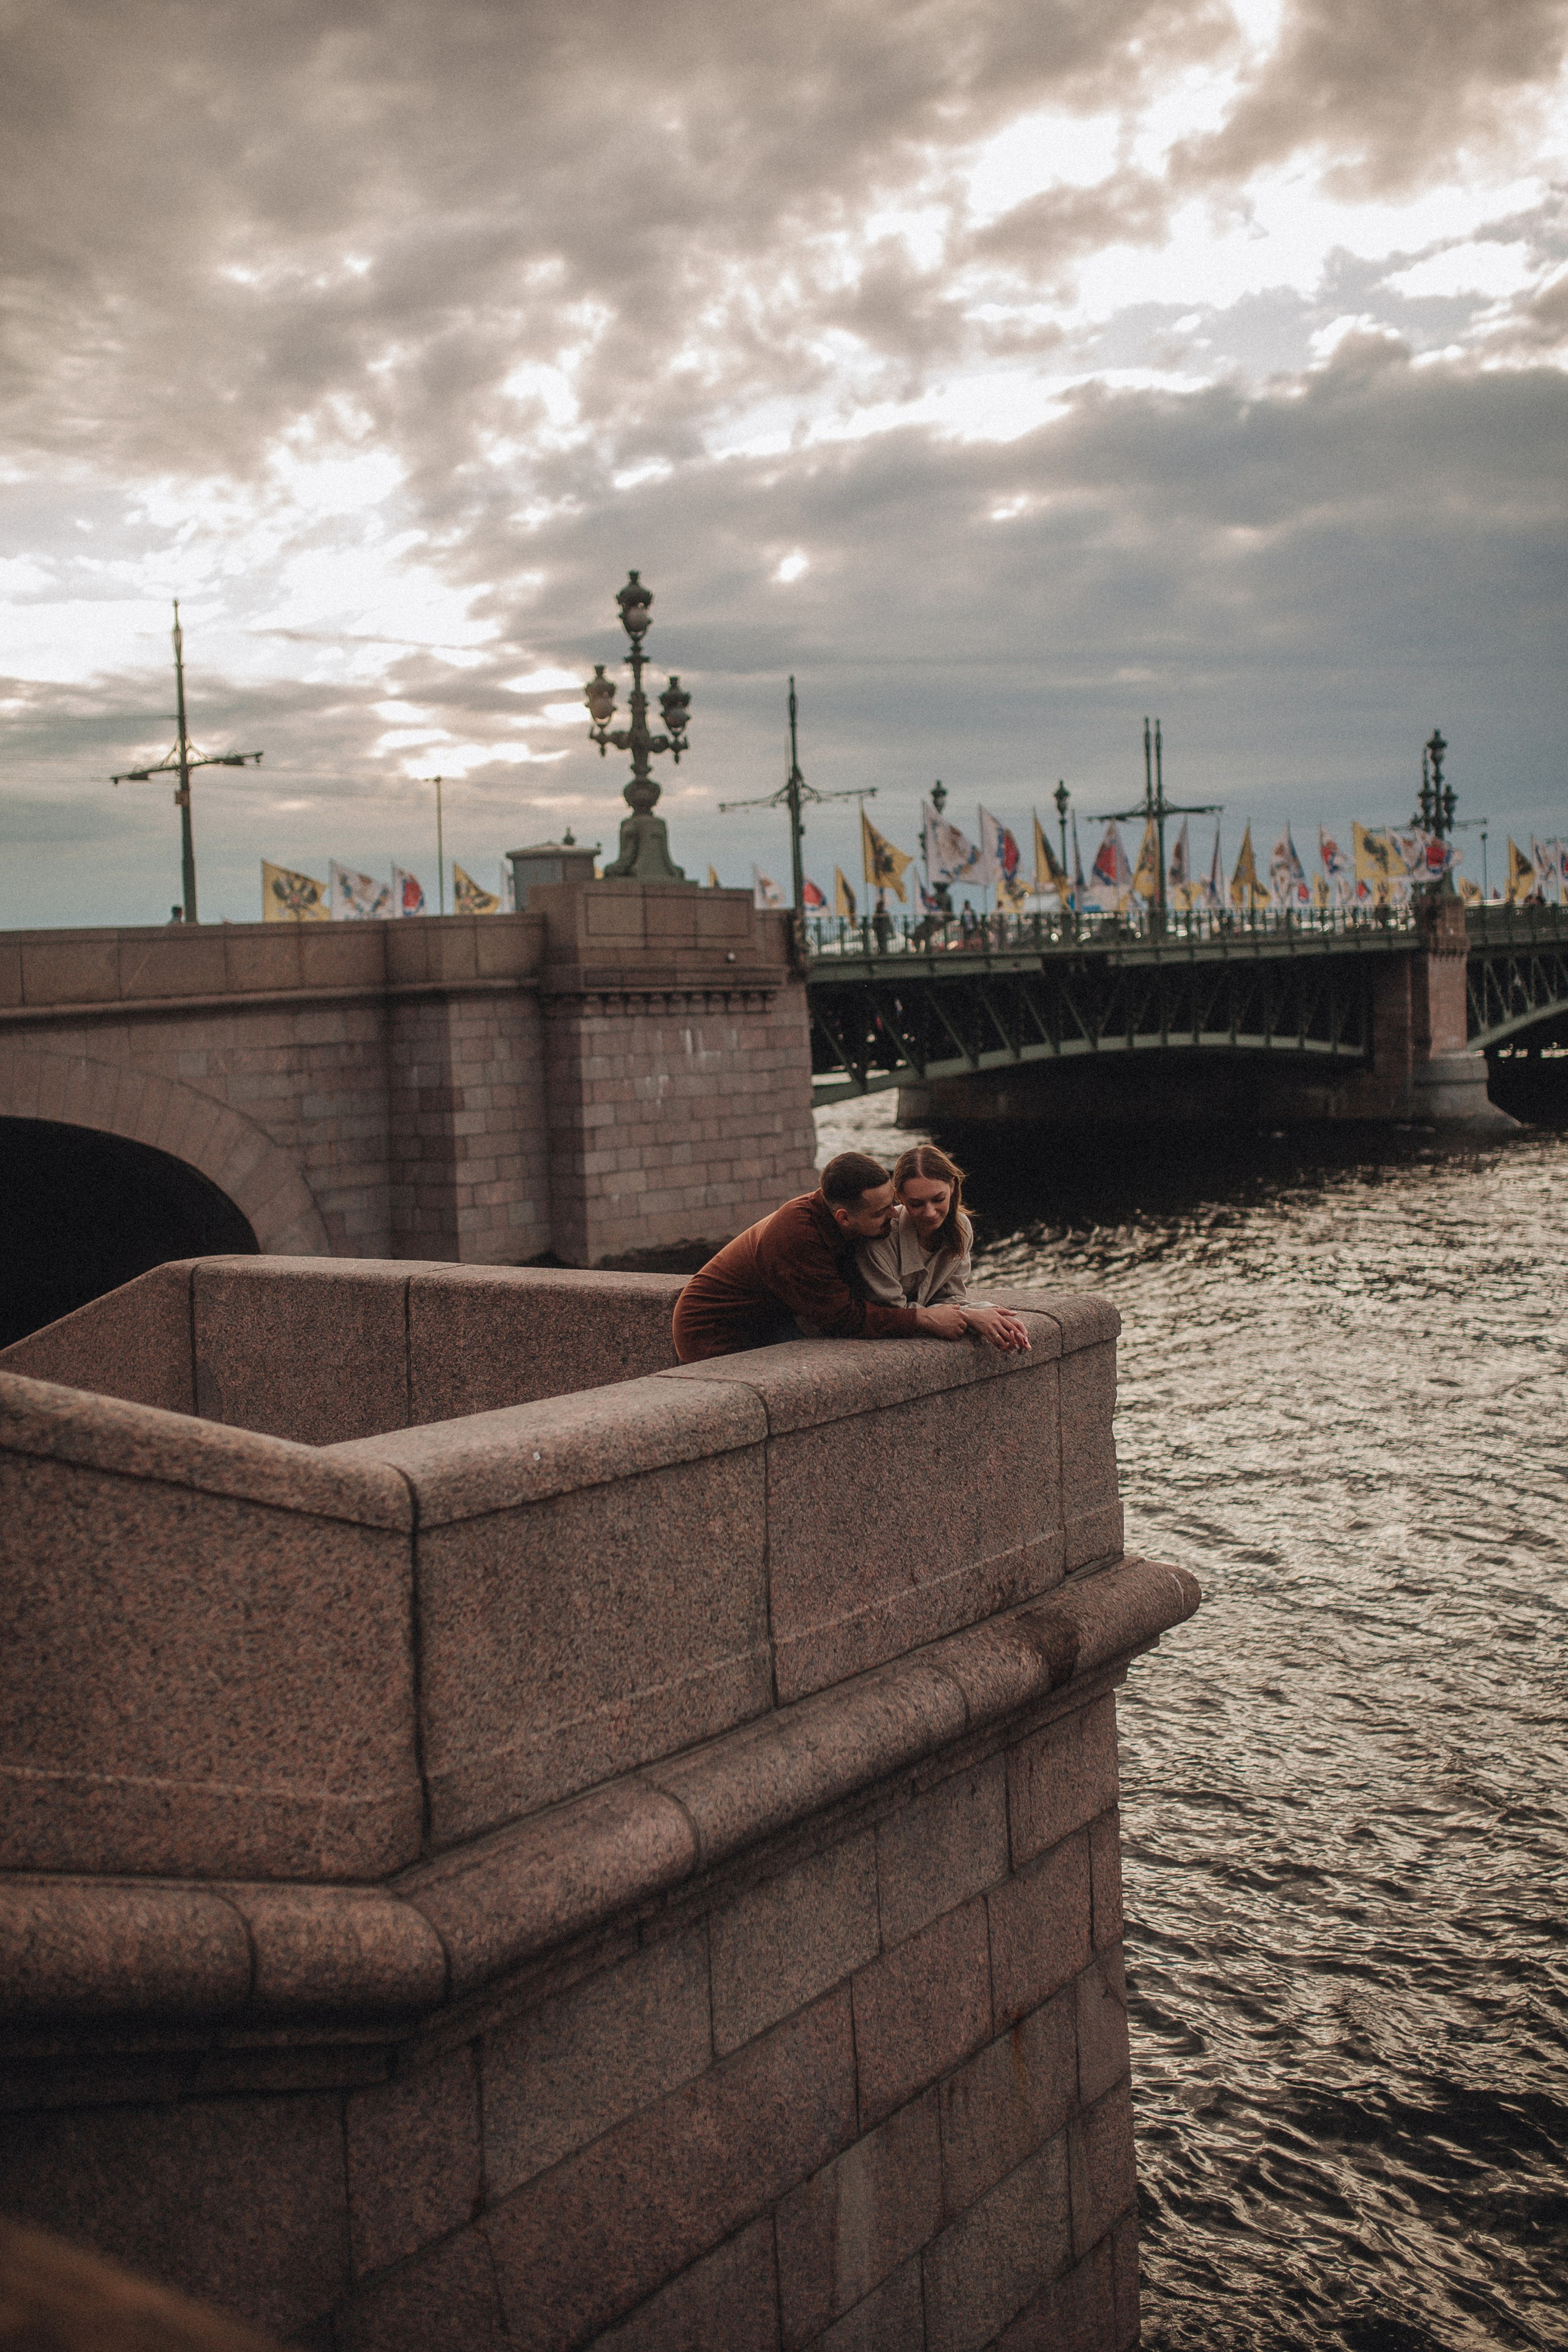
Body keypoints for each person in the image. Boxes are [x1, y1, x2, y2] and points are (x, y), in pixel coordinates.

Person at [671, 1151, 970, 1364]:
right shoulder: (800, 1237)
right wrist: (924, 1318)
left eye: (892, 1204)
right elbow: (845, 1318)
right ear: (844, 1217)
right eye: (881, 1212)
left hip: (768, 1320)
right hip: (714, 1333)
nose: (894, 1216)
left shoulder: (839, 1215)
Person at [856, 1144, 1031, 1352]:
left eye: (939, 1199)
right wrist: (971, 1316)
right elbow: (894, 1313)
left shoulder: (962, 1227)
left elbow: (950, 1299)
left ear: (953, 1187)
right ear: (899, 1197)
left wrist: (990, 1314)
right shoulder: (879, 1240)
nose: (930, 1213)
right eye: (916, 1204)